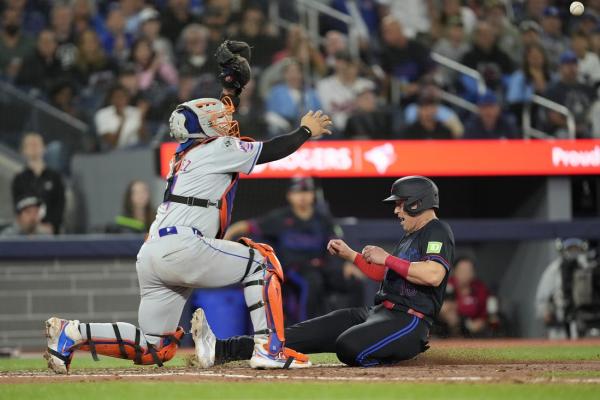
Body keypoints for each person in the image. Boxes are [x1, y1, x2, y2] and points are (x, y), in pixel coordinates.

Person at [43, 40, 333, 374]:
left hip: (153, 254)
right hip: (184, 246)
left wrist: (231, 86)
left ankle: (72, 332)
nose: (223, 120)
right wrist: (305, 130)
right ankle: (269, 350)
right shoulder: (217, 147)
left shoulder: (185, 153)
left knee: (156, 347)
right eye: (216, 119)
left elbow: (222, 119)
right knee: (262, 263)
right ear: (206, 128)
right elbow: (270, 150)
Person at [193, 176, 455, 367]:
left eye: (400, 203)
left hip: (409, 321)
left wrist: (386, 258)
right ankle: (221, 349)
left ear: (416, 204)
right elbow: (381, 276)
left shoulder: (436, 230)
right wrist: (351, 255)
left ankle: (390, 357)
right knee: (297, 334)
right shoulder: (410, 236)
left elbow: (433, 274)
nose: (396, 210)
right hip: (379, 313)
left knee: (348, 346)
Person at [225, 177, 363, 322]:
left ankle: (354, 325)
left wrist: (346, 264)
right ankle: (307, 330)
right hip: (293, 270)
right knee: (312, 282)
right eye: (297, 192)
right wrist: (227, 236)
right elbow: (245, 226)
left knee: (355, 281)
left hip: (322, 268)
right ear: (289, 195)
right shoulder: (279, 218)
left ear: (313, 194)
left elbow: (337, 245)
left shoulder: (323, 219)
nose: (302, 196)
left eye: (306, 191)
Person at [11, 132, 65, 235]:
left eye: (37, 144)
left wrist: (52, 225)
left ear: (44, 148)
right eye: (30, 145)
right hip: (26, 231)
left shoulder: (55, 177)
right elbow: (18, 206)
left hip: (51, 231)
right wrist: (31, 224)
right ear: (24, 150)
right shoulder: (19, 179)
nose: (34, 148)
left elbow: (60, 205)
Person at [438, 256, 490, 337]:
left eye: (468, 271)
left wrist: (456, 306)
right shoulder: (445, 286)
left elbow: (485, 314)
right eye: (462, 271)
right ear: (455, 271)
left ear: (473, 273)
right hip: (446, 330)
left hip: (474, 331)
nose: (465, 274)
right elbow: (439, 307)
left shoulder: (480, 288)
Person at [94, 84, 146, 150]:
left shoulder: (135, 112)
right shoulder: (102, 114)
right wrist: (122, 122)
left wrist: (142, 117)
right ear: (111, 99)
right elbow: (112, 143)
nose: (120, 100)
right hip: (113, 152)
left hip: (135, 149)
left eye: (123, 97)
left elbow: (144, 139)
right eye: (117, 97)